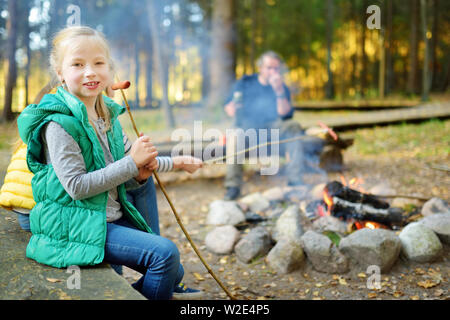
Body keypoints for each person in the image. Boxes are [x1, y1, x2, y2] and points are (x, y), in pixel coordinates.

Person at [15, 26, 203, 300]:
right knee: (165, 255)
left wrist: (176, 163)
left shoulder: (106, 115)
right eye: (78, 64)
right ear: (60, 72)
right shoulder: (59, 124)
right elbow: (77, 187)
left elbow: (135, 163)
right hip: (75, 226)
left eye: (98, 63)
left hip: (103, 217)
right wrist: (131, 164)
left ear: (108, 68)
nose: (90, 71)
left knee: (174, 270)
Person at [223, 51, 306, 200]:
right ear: (260, 67)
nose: (273, 72)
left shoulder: (282, 87)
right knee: (235, 135)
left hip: (273, 129)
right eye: (269, 68)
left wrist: (279, 91)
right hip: (248, 128)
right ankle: (233, 187)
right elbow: (228, 107)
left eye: (276, 69)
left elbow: (285, 114)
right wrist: (232, 108)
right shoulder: (245, 82)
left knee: (293, 126)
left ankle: (294, 180)